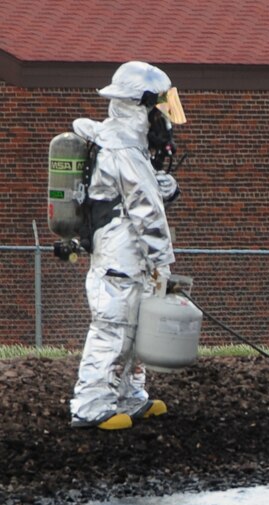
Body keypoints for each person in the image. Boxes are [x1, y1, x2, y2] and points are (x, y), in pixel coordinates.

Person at [69, 61, 187, 430]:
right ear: (142, 105)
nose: (165, 117)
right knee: (112, 329)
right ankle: (90, 405)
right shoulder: (122, 149)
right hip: (120, 257)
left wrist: (162, 183)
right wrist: (163, 263)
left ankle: (130, 397)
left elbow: (143, 193)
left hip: (131, 257)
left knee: (137, 327)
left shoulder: (129, 148)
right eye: (161, 107)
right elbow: (145, 212)